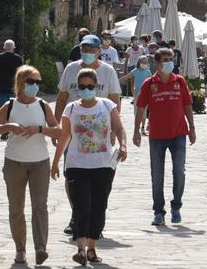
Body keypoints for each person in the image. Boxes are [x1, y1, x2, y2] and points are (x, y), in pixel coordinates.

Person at [52, 69, 128, 266]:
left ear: (96, 86)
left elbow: (119, 128)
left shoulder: (107, 105)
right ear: (78, 87)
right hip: (77, 165)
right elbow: (65, 136)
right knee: (81, 206)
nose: (86, 90)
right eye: (82, 87)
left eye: (90, 86)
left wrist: (124, 145)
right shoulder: (71, 108)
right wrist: (56, 161)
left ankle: (92, 247)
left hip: (103, 165)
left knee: (99, 207)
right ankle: (80, 249)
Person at [0, 66, 62, 266]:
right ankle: (20, 250)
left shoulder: (43, 105)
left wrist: (40, 129)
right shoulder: (10, 106)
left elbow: (58, 131)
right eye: (32, 82)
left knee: (40, 206)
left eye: (38, 82)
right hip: (14, 161)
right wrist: (9, 127)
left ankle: (40, 248)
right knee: (16, 208)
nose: (36, 86)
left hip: (40, 161)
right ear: (21, 84)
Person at [56, 34, 121, 238]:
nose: (88, 53)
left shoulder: (108, 71)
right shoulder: (71, 69)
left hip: (100, 133)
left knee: (98, 177)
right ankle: (77, 216)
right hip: (74, 132)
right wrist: (58, 127)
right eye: (84, 48)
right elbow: (62, 97)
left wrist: (113, 131)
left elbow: (115, 100)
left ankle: (93, 220)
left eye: (92, 49)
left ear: (99, 51)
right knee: (72, 175)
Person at [133, 47, 196, 226]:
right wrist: (136, 130)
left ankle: (176, 206)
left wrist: (192, 127)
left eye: (171, 58)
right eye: (166, 59)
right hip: (157, 135)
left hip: (178, 133)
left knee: (179, 171)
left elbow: (187, 105)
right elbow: (141, 108)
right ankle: (158, 211)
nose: (170, 62)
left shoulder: (180, 81)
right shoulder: (149, 83)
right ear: (158, 63)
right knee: (157, 174)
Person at [0, 39, 25, 139]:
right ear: (13, 48)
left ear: (4, 47)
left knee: (3, 109)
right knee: (13, 109)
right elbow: (22, 74)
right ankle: (12, 129)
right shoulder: (18, 59)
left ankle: (4, 130)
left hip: (1, 87)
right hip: (14, 88)